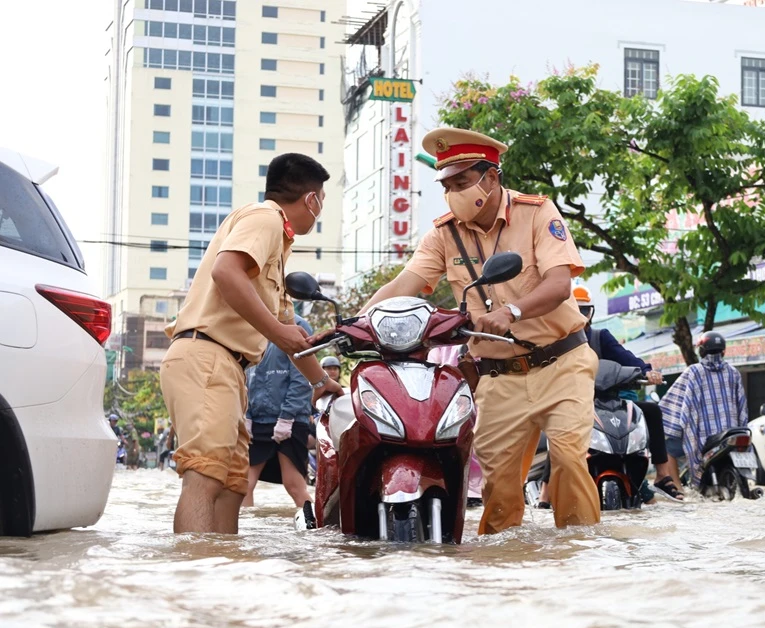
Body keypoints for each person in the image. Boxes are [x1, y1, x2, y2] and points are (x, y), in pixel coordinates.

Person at [314, 127, 601, 534]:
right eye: (446, 186)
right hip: (499, 375)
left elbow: (558, 285)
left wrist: (511, 311)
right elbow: (404, 284)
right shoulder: (443, 234)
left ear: (492, 177)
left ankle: (580, 556)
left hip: (562, 362)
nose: (453, 193)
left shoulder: (537, 213)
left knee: (570, 461)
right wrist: (353, 325)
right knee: (498, 486)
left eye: (462, 182)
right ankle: (501, 574)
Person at [160, 153, 342, 535]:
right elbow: (225, 272)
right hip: (207, 356)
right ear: (311, 199)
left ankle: (220, 573)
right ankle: (191, 577)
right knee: (206, 477)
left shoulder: (275, 254)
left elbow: (292, 334)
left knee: (232, 486)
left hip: (228, 368)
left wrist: (320, 383)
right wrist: (276, 331)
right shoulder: (266, 218)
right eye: (321, 200)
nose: (320, 210)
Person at [534, 286, 675, 507]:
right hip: (573, 402)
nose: (580, 316)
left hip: (609, 401)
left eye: (584, 311)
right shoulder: (556, 340)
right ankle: (545, 491)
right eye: (575, 310)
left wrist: (647, 371)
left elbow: (626, 358)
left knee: (651, 410)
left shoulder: (601, 337)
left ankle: (663, 475)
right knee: (559, 429)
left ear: (591, 313)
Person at [243, 314, 319, 529]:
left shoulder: (298, 325)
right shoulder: (251, 321)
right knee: (243, 484)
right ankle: (246, 533)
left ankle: (315, 528)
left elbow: (302, 376)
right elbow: (246, 374)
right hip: (257, 418)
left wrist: (287, 416)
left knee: (294, 484)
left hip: (290, 418)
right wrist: (246, 414)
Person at [659, 331, 748, 490]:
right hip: (731, 432)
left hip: (703, 435)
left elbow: (676, 401)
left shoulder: (694, 371)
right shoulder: (733, 372)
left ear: (701, 351)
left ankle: (679, 489)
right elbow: (742, 405)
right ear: (723, 350)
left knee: (668, 449)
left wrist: (659, 412)